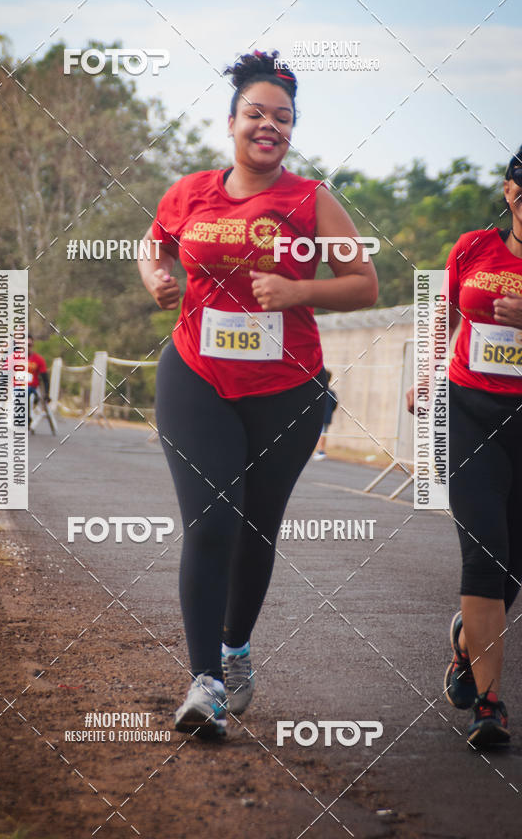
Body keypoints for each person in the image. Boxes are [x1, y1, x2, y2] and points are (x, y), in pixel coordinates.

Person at [139, 49, 378, 738]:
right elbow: (151, 245)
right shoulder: (188, 193)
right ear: (232, 122)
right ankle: (205, 682)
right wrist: (156, 277)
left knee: (254, 528)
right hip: (196, 374)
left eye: (283, 116)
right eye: (256, 113)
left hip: (287, 389)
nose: (268, 125)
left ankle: (236, 646)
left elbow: (364, 283)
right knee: (212, 520)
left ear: (292, 130)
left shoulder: (310, 200)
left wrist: (300, 290)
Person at [407, 147, 522, 749]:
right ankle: (489, 704)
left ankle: (464, 643)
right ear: (510, 192)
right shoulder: (474, 247)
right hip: (469, 408)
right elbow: (439, 311)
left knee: (513, 568)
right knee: (484, 557)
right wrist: (426, 374)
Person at [25, 335, 50, 428]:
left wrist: (46, 394)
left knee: (25, 391)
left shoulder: (38, 360)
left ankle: (26, 418)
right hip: (16, 386)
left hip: (31, 388)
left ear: (32, 345)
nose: (27, 347)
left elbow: (45, 379)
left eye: (29, 345)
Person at [312, 369, 338, 460]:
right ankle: (321, 450)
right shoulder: (332, 393)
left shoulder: (318, 391)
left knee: (320, 434)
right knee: (323, 433)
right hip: (327, 417)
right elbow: (335, 405)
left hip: (320, 417)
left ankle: (320, 451)